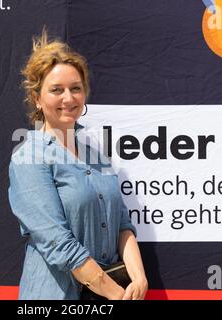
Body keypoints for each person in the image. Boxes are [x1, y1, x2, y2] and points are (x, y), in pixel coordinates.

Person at [8, 29, 148, 300]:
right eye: (56, 90)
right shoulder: (29, 157)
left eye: (76, 88)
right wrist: (115, 294)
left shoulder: (96, 154)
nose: (68, 98)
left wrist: (139, 278)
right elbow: (58, 243)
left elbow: (121, 223)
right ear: (37, 98)